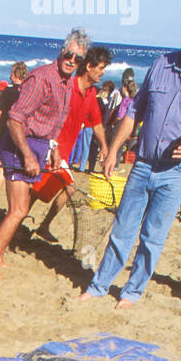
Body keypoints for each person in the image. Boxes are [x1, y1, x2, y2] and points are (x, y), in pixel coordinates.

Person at [79, 5, 181, 308]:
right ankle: (99, 285)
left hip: (177, 171)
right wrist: (114, 149)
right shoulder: (162, 63)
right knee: (122, 229)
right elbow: (135, 110)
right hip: (143, 164)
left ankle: (132, 292)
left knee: (152, 237)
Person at [0, 30, 88, 278]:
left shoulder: (68, 82)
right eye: (69, 54)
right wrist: (28, 155)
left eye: (78, 58)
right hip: (20, 147)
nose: (72, 60)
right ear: (61, 51)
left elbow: (55, 122)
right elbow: (14, 120)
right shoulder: (42, 79)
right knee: (18, 210)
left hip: (39, 147)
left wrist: (53, 149)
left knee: (21, 209)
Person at [36, 45, 111, 242]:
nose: (103, 73)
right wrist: (52, 146)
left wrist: (104, 146)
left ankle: (43, 226)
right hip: (50, 149)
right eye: (101, 68)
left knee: (66, 188)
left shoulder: (91, 93)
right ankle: (22, 224)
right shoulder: (68, 87)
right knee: (37, 191)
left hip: (65, 154)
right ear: (88, 66)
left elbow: (96, 123)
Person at [0, 62, 28, 201]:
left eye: (11, 72)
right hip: (14, 131)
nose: (9, 75)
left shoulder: (8, 91)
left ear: (14, 74)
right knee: (4, 165)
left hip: (2, 128)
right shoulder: (26, 91)